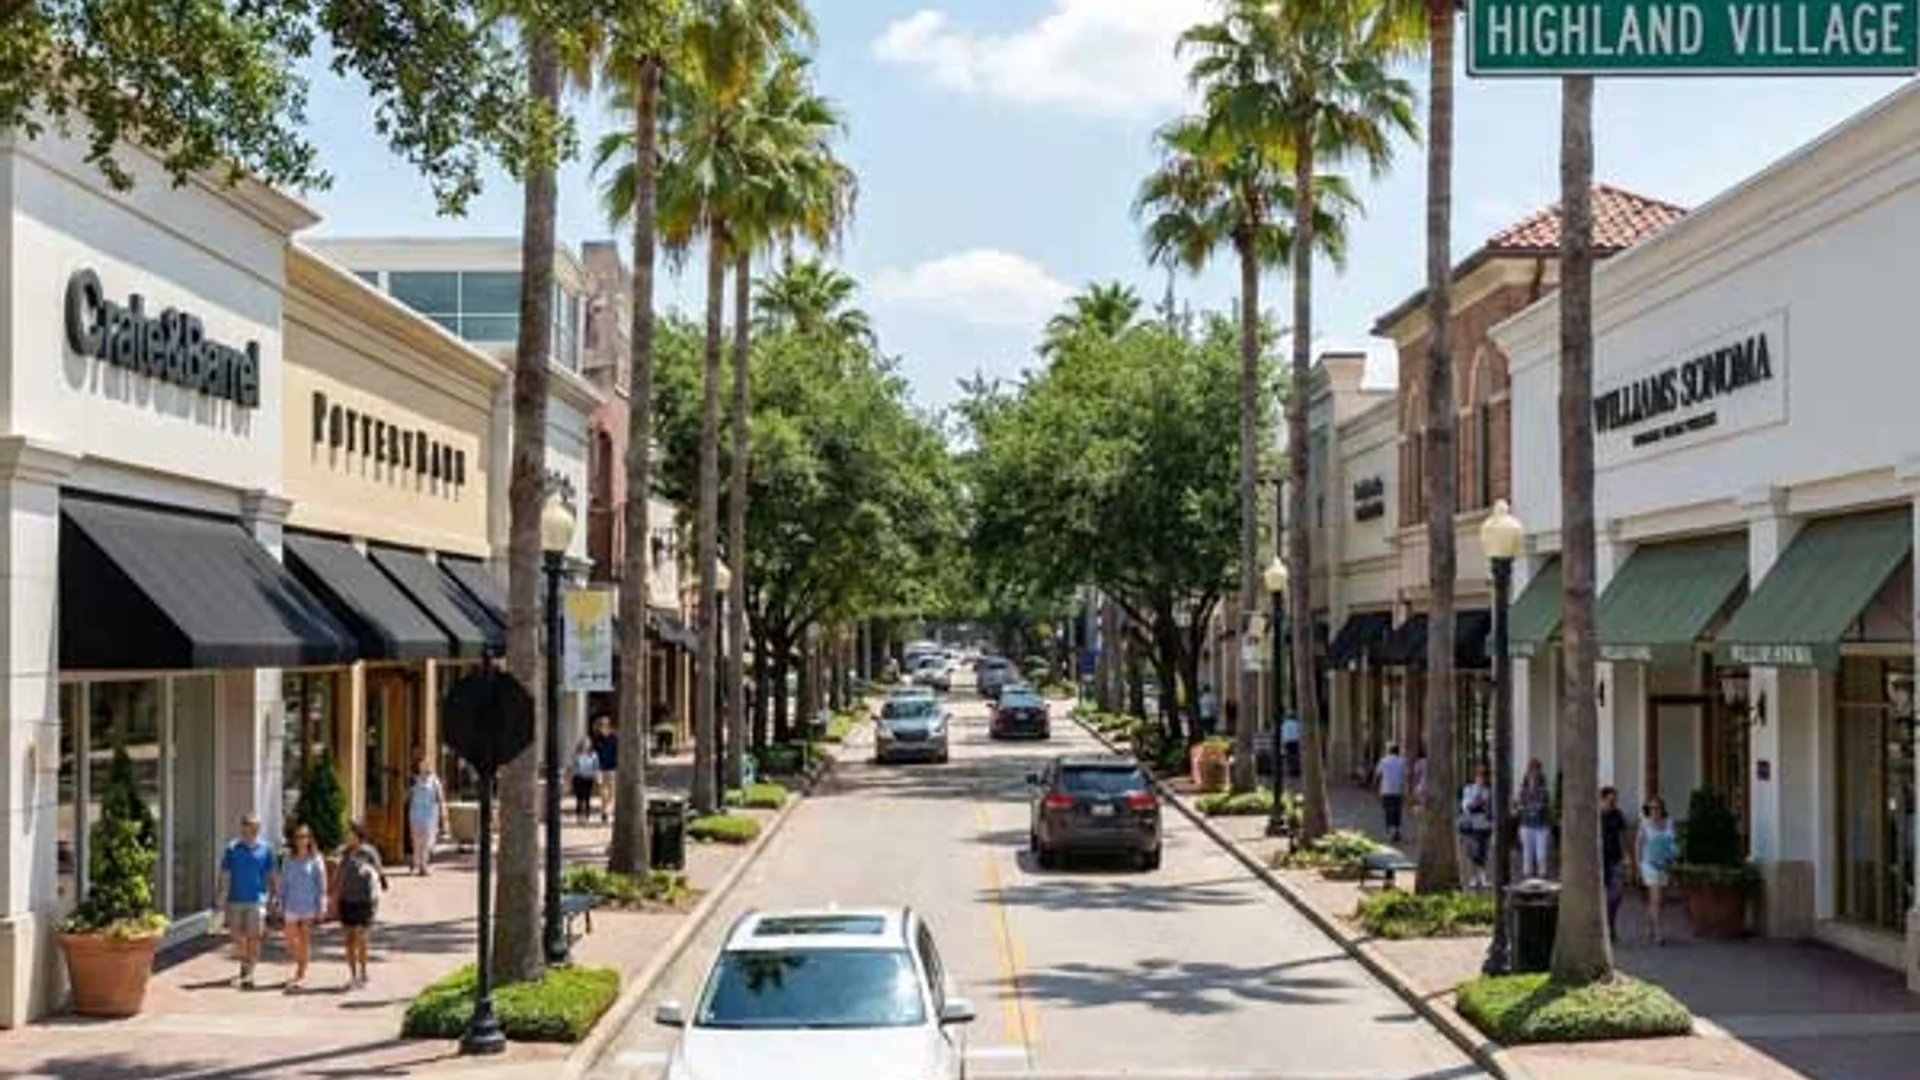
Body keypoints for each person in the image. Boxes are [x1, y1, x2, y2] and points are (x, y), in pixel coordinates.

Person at [218, 812, 276, 989]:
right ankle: (245, 961)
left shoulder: (265, 849)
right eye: (248, 826)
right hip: (235, 898)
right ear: (243, 828)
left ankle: (249, 973)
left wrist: (273, 896)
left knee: (255, 937)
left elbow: (270, 874)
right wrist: (221, 896)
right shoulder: (232, 848)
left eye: (255, 826)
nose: (252, 829)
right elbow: (225, 874)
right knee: (236, 935)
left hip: (257, 899)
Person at [335, 821, 388, 988]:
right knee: (349, 939)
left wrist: (381, 882)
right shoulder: (343, 852)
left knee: (361, 936)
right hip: (346, 899)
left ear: (358, 834)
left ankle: (364, 973)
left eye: (350, 833)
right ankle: (353, 975)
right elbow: (337, 875)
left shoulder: (369, 852)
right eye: (347, 834)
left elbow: (379, 871)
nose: (347, 836)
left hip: (364, 900)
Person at [277, 825, 327, 991]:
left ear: (309, 838)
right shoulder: (288, 858)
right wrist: (279, 902)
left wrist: (321, 906)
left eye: (305, 836)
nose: (301, 840)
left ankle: (300, 973)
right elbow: (283, 883)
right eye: (299, 836)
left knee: (305, 940)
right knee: (290, 940)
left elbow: (321, 885)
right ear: (294, 839)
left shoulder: (316, 858)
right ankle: (301, 962)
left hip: (308, 905)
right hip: (291, 904)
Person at [1638, 794, 1678, 946]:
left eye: (1657, 807)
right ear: (1648, 810)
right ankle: (1658, 933)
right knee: (1656, 898)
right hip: (1649, 865)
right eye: (1651, 808)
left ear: (1662, 809)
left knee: (1660, 901)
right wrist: (1637, 865)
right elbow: (1639, 845)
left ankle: (1650, 926)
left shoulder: (1669, 823)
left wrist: (1673, 858)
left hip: (1665, 865)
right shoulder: (1645, 824)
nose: (1655, 810)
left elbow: (1673, 843)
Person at [405, 752, 447, 876]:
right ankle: (415, 862)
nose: (425, 766)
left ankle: (423, 866)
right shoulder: (414, 779)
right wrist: (410, 790)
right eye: (422, 764)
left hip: (430, 814)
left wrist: (443, 814)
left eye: (427, 764)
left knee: (427, 841)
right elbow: (406, 797)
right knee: (416, 840)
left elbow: (440, 797)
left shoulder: (434, 780)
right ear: (419, 766)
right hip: (415, 813)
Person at [1600, 786, 1630, 942]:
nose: (1613, 804)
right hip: (1599, 861)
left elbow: (1623, 835)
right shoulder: (1596, 816)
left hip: (1615, 859)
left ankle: (1610, 922)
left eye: (1615, 801)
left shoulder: (1617, 815)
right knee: (1602, 895)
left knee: (1616, 895)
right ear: (1602, 800)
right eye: (1611, 801)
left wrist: (1626, 856)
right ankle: (1605, 929)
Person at [1516, 759, 1553, 879]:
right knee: (1528, 854)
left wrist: (1531, 807)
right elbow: (1520, 806)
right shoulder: (1523, 791)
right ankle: (1528, 877)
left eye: (1536, 770)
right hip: (1526, 825)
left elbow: (1543, 805)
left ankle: (1542, 876)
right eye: (1531, 770)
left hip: (1541, 826)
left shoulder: (1544, 791)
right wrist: (1528, 807)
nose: (1533, 773)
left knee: (1541, 855)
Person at [1459, 764, 1494, 889]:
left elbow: (1490, 808)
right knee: (1472, 851)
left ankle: (1483, 876)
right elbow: (1465, 805)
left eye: (1484, 776)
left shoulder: (1488, 791)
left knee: (1483, 850)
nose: (1481, 778)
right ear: (1475, 777)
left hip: (1484, 823)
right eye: (1479, 775)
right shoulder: (1468, 789)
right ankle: (1473, 877)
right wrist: (1474, 802)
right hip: (1471, 822)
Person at [1372, 744, 1408, 843]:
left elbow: (1377, 774)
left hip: (1386, 790)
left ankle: (1389, 831)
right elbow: (1405, 776)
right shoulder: (1402, 761)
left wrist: (1374, 786)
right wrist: (1406, 789)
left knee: (1387, 810)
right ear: (1398, 751)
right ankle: (1396, 831)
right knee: (1397, 811)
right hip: (1398, 790)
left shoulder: (1383, 761)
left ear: (1389, 751)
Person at [591, 712, 618, 824]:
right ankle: (605, 812)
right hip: (600, 768)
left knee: (611, 792)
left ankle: (606, 809)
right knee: (603, 792)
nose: (603, 726)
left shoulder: (614, 738)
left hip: (612, 768)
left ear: (609, 725)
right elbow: (592, 754)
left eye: (606, 723)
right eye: (601, 724)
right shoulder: (596, 739)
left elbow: (618, 752)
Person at [571, 737, 601, 824]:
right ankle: (579, 816)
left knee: (587, 798)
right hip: (578, 778)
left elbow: (596, 767)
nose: (586, 745)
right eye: (584, 743)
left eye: (587, 743)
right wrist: (570, 779)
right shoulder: (577, 755)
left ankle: (587, 816)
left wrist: (598, 777)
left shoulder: (594, 755)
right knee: (579, 798)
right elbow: (574, 767)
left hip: (589, 778)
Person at [1280, 713, 1302, 778]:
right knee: (1296, 755)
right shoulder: (1297, 723)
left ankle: (1291, 770)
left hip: (1288, 741)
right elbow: (1299, 732)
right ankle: (1296, 770)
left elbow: (1283, 734)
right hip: (1296, 741)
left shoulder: (1284, 724)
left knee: (1289, 756)